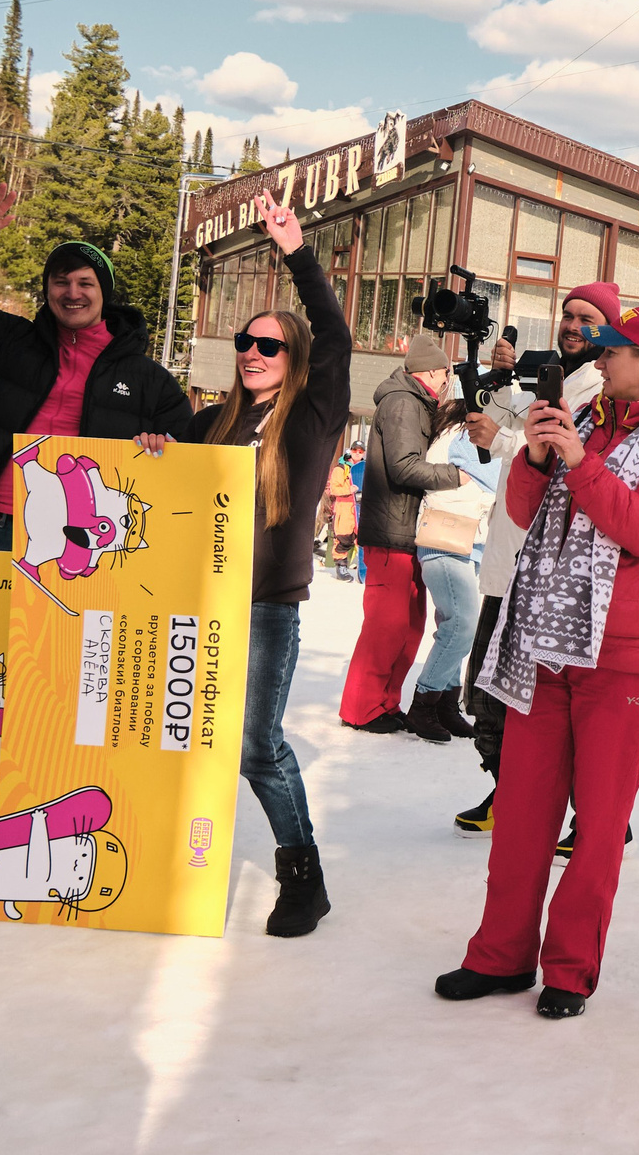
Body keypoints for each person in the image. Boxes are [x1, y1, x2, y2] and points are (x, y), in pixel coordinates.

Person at [0, 180, 192, 849]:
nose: (71, 292)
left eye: (84, 282)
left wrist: (161, 447)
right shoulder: (6, 342)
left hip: (82, 555)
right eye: (59, 282)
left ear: (105, 291)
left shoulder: (149, 380)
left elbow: (184, 456)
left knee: (66, 681)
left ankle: (56, 801)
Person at [435, 305, 639, 1018]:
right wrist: (535, 455)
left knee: (597, 827)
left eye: (612, 350)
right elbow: (524, 511)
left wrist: (582, 464)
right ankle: (500, 955)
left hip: (623, 658)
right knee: (522, 812)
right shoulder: (590, 416)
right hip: (546, 642)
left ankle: (569, 968)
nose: (600, 358)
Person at [182, 189, 352, 936]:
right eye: (245, 343)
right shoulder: (213, 421)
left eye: (269, 346)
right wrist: (155, 447)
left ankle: (303, 879)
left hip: (263, 608)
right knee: (188, 738)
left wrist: (297, 252)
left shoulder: (311, 415)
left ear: (295, 358)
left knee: (256, 747)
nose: (252, 353)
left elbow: (336, 336)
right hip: (197, 604)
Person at [451, 285, 616, 833]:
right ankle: (511, 796)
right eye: (567, 314)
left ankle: (595, 817)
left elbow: (560, 458)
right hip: (508, 560)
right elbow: (500, 421)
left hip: (550, 571)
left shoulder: (601, 387)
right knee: (486, 694)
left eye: (587, 318)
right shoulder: (546, 375)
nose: (573, 325)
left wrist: (502, 439)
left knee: (544, 707)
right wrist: (499, 378)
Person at [344, 331, 467, 736]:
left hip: (406, 530)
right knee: (386, 626)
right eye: (445, 373)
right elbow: (403, 466)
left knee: (408, 626)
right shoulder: (402, 402)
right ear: (430, 372)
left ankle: (385, 702)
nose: (447, 380)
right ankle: (361, 708)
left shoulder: (416, 402)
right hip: (390, 530)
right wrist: (457, 476)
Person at [409, 402, 498, 740]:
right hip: (446, 542)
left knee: (455, 627)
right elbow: (497, 477)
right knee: (462, 626)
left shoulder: (458, 435)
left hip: (469, 543)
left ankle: (446, 704)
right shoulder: (462, 437)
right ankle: (423, 704)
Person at [325, 449, 361, 580]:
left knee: (362, 539)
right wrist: (349, 490)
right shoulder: (340, 469)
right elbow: (334, 489)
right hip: (344, 508)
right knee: (344, 538)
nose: (358, 453)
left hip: (360, 507)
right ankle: (341, 566)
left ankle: (364, 567)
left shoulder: (364, 469)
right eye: (355, 450)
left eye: (361, 451)